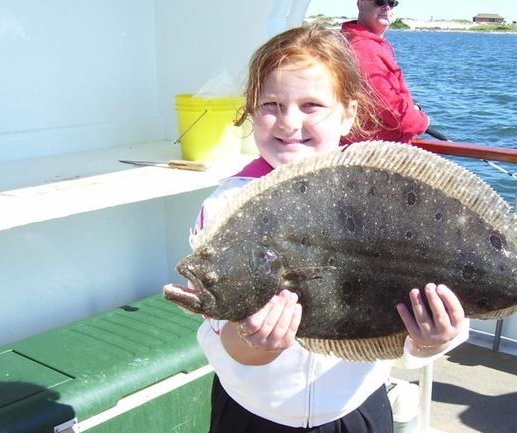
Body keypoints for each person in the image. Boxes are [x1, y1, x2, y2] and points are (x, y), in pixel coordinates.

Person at [191, 25, 468, 433]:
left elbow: (403, 345)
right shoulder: (226, 208)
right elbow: (224, 336)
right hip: (252, 413)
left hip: (355, 409)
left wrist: (432, 339)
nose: (288, 122)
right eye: (270, 104)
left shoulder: (380, 198)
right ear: (250, 110)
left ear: (349, 113)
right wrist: (254, 342)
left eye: (310, 105)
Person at [341, 0, 429, 143]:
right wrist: (423, 121)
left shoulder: (350, 40)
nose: (387, 7)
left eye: (392, 2)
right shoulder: (365, 50)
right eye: (380, 1)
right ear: (360, 4)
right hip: (374, 156)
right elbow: (398, 116)